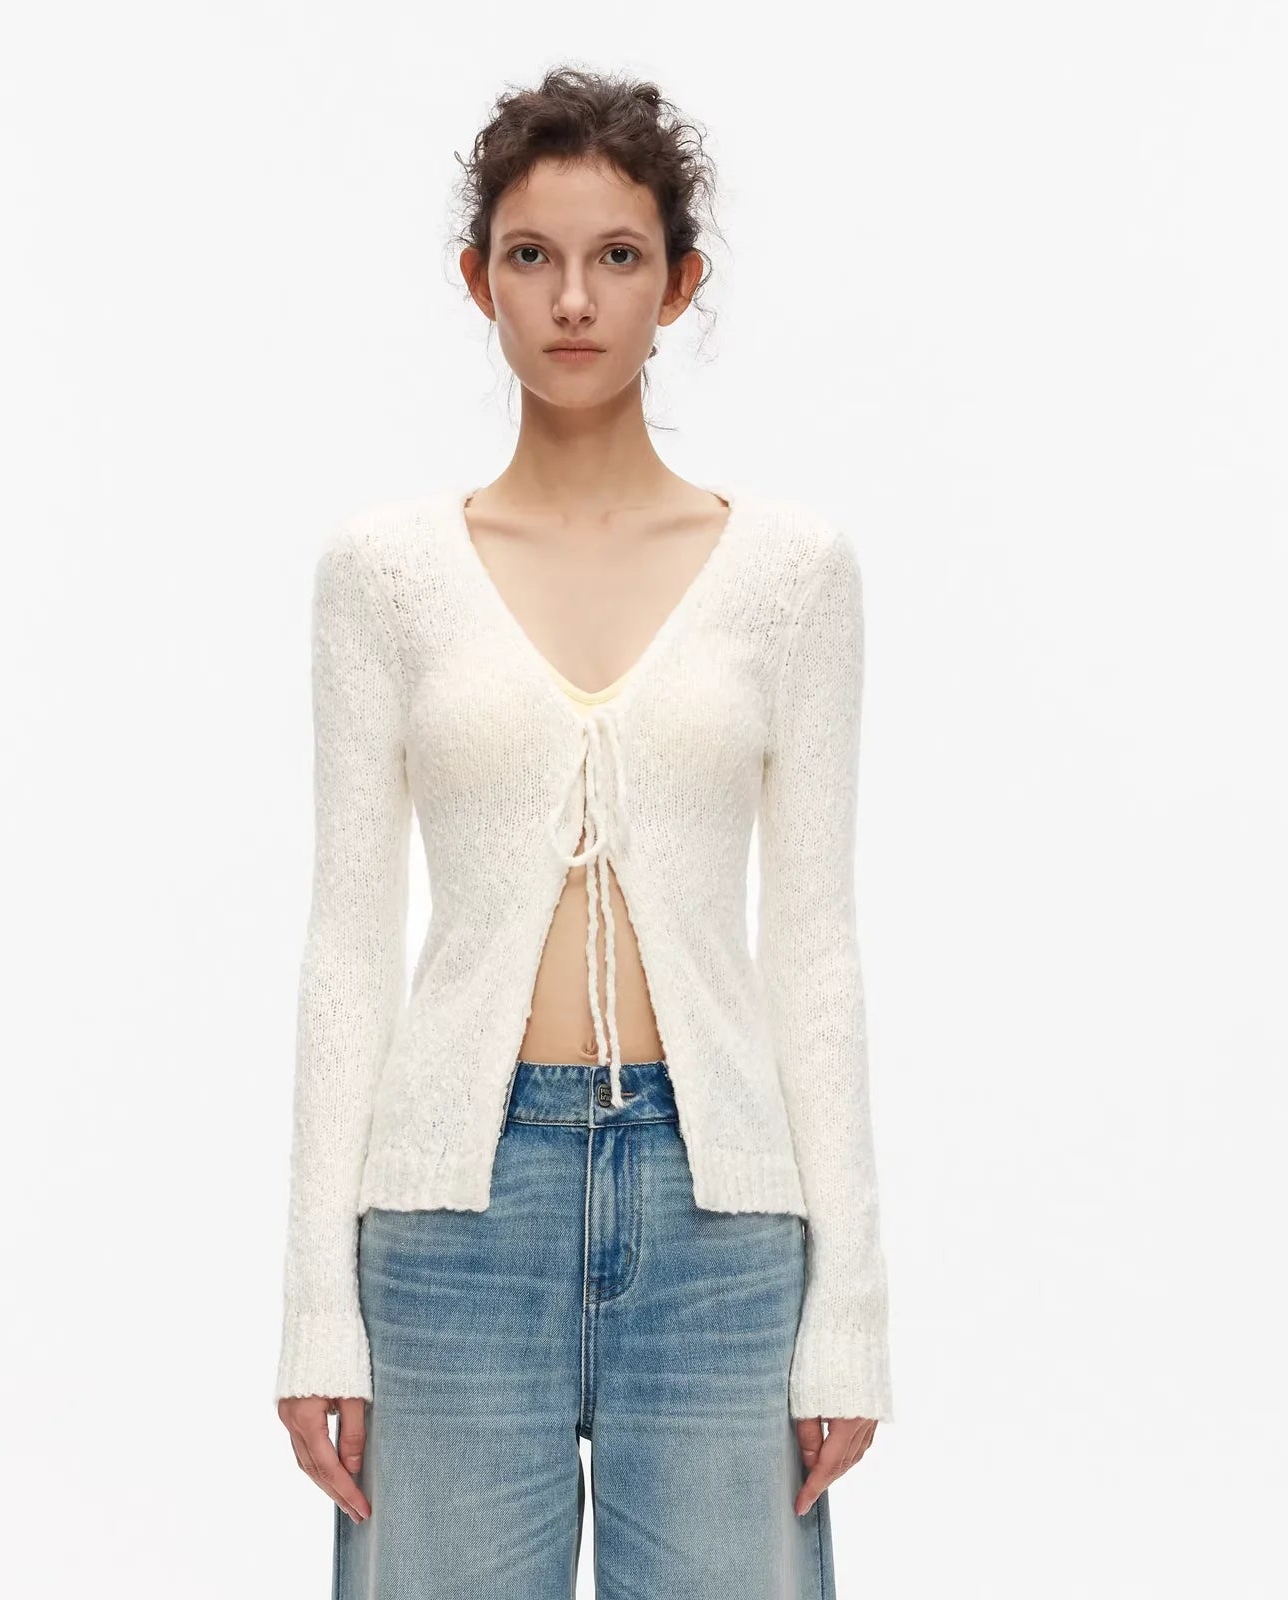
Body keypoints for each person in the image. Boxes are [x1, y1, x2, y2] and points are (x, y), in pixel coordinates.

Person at [274, 65, 894, 1598]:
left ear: (678, 284)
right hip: (451, 1216)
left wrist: (850, 1315)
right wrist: (314, 1314)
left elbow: (814, 946)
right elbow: (347, 944)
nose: (572, 299)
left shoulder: (792, 575)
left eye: (617, 256)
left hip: (720, 1218)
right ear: (476, 278)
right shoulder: (385, 575)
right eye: (532, 256)